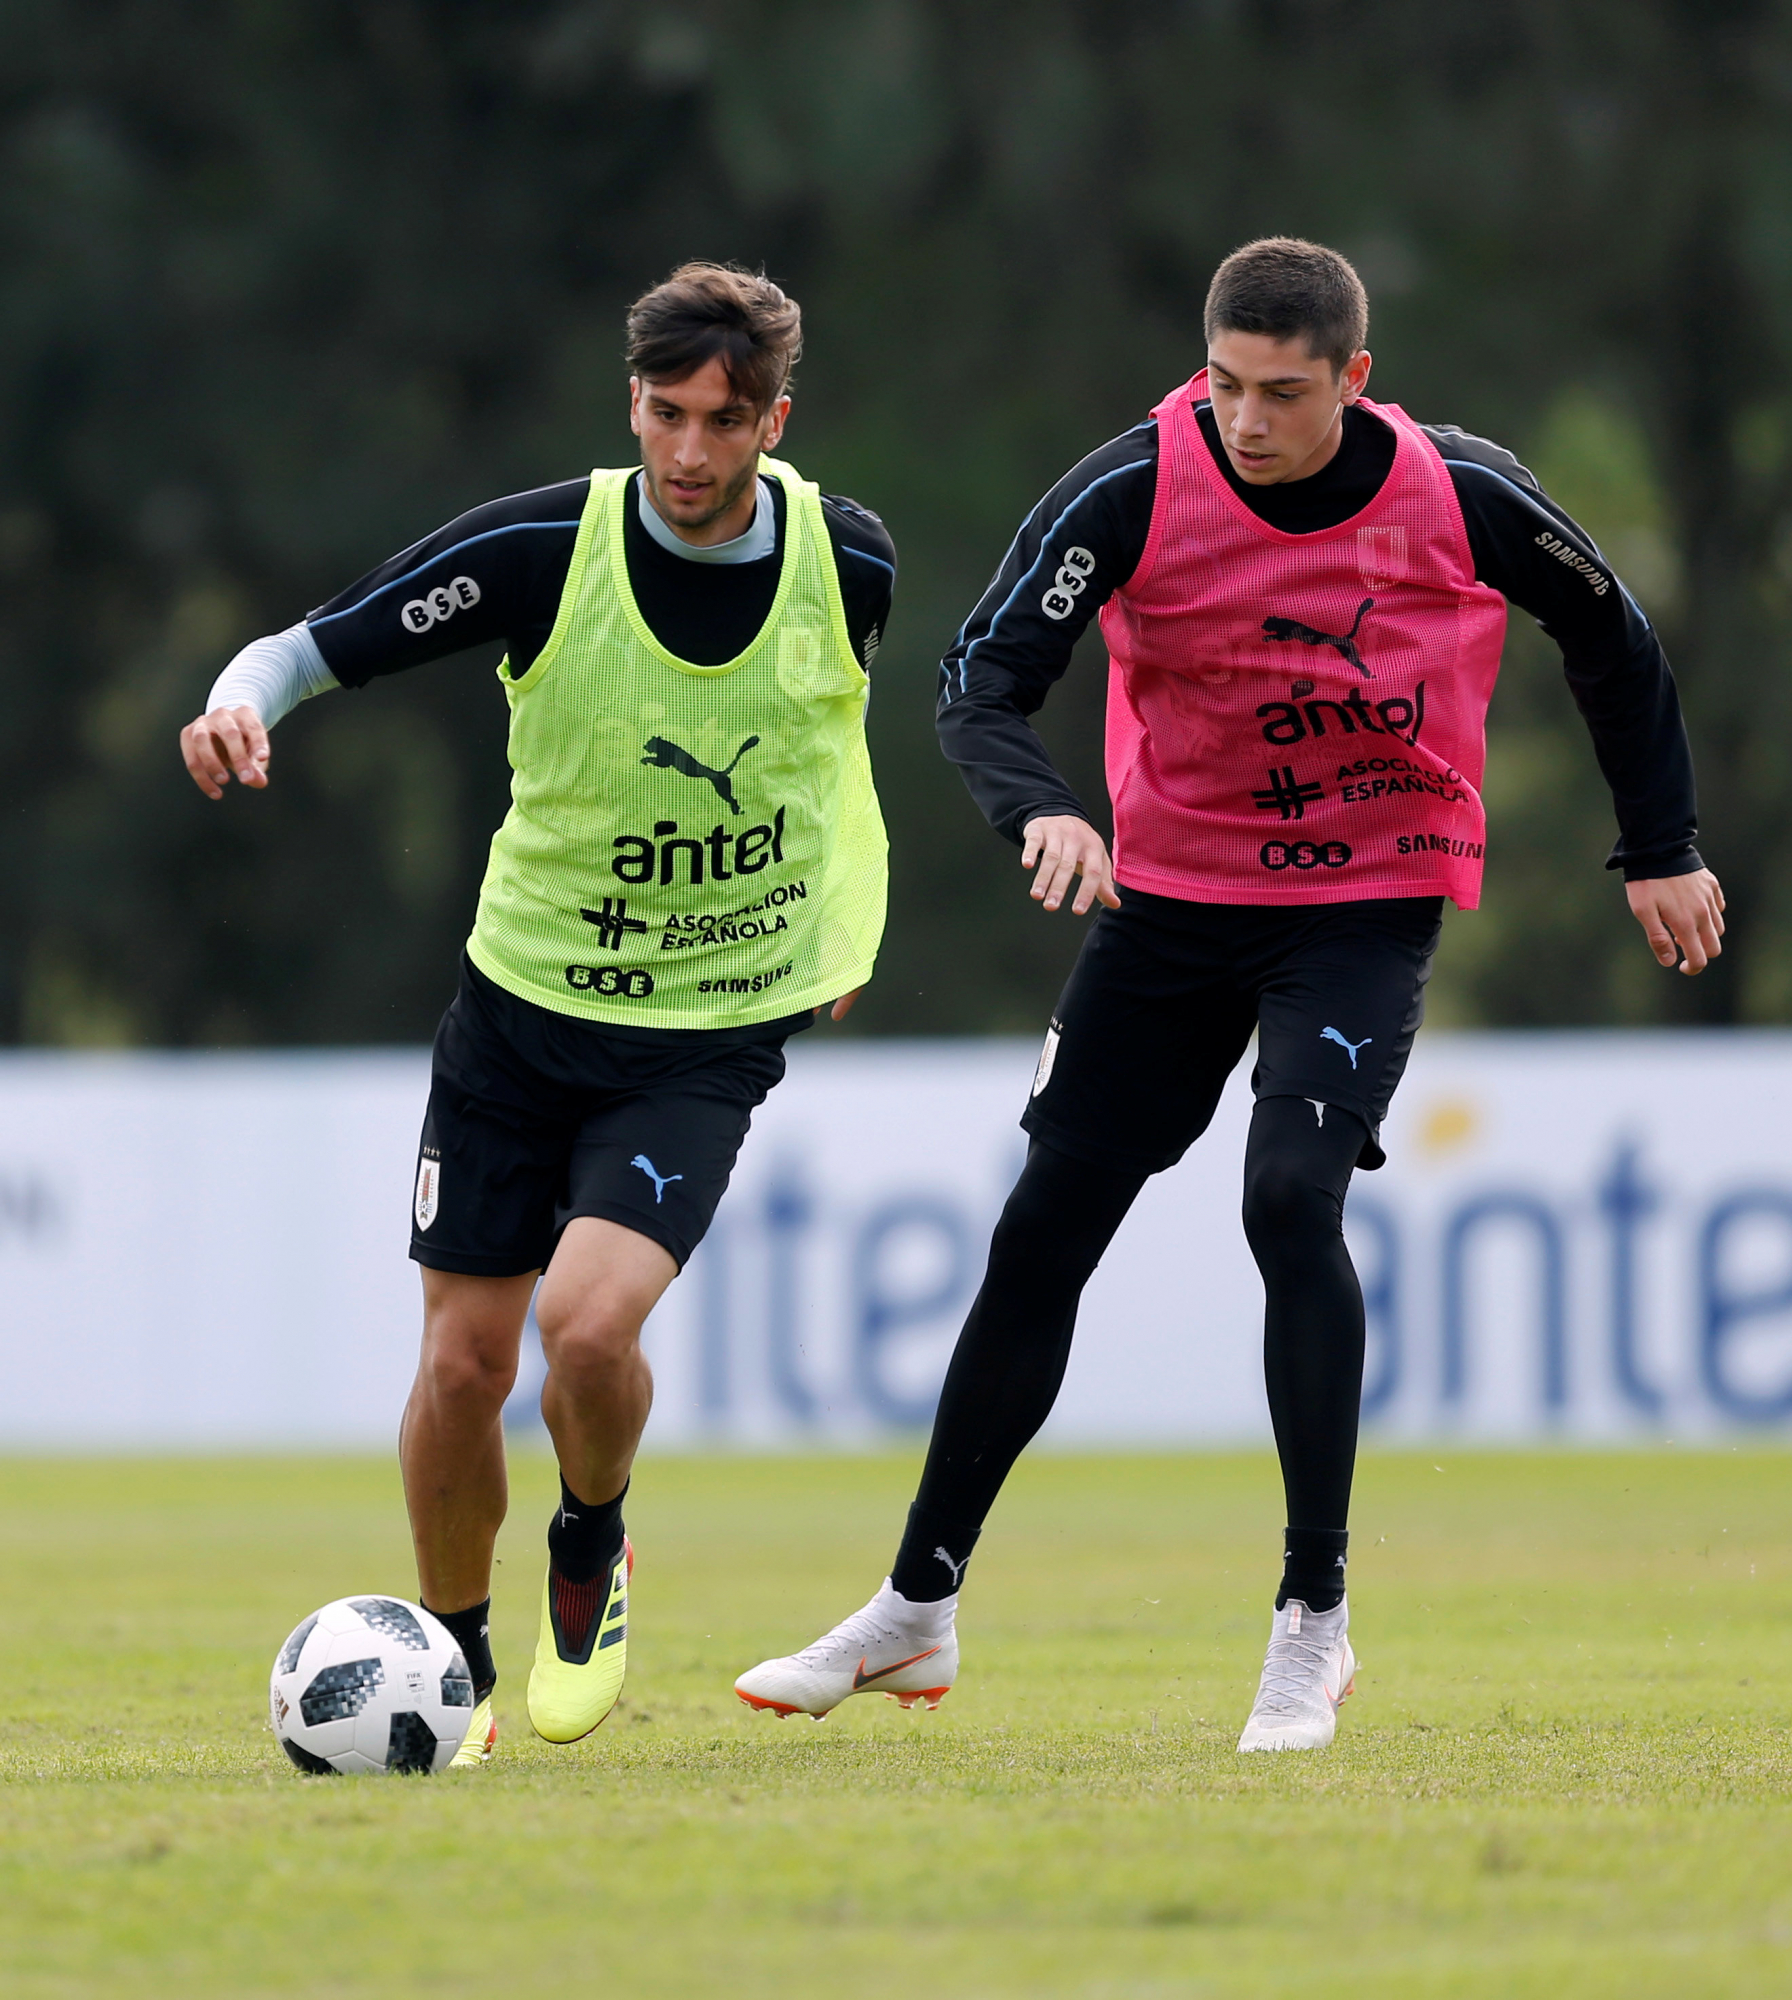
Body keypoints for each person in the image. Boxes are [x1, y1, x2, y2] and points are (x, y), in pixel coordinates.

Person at [735, 236, 1724, 1751]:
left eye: (1283, 392)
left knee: (1288, 1196)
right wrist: (1043, 813)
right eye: (1225, 385)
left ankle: (1311, 1626)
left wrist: (1658, 846)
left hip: (1366, 892)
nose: (1247, 421)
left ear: (1354, 382)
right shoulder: (1130, 485)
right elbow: (980, 678)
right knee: (1043, 1228)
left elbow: (1610, 630)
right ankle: (916, 1607)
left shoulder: (1455, 490)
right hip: (1171, 896)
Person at [181, 264, 893, 1766]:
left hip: (704, 1033)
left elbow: (831, 756)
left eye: (725, 421)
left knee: (583, 1332)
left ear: (777, 418)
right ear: (630, 398)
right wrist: (241, 701)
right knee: (460, 1370)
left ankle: (591, 1540)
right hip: (516, 1016)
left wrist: (837, 929)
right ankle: (457, 1656)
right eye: (664, 413)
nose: (690, 454)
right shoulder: (534, 548)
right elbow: (314, 646)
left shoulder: (852, 562)